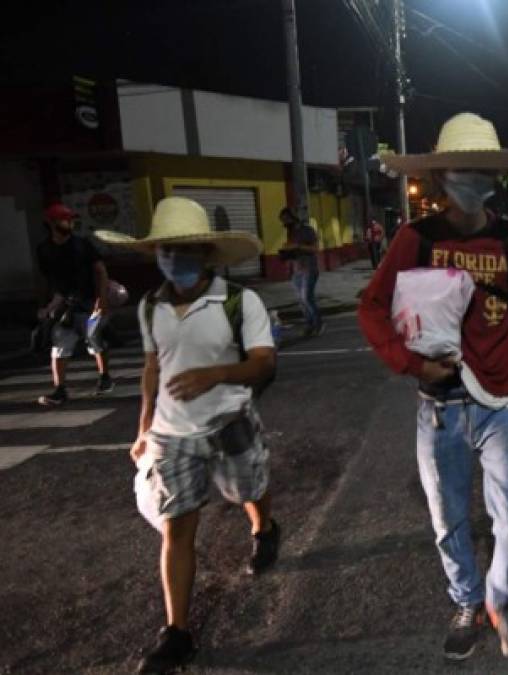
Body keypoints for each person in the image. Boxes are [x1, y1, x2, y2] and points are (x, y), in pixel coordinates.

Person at [358, 112, 508, 662]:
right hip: (439, 406)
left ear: (494, 177)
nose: (471, 179)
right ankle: (466, 600)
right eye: (461, 170)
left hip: (500, 402)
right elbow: (372, 308)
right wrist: (410, 364)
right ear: (443, 176)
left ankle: (501, 599)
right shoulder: (414, 239)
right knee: (448, 519)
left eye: (481, 170)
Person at [95, 197, 281, 674]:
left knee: (248, 490)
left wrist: (216, 374)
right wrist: (143, 425)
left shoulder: (241, 301)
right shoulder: (150, 307)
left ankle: (263, 527)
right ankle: (177, 632)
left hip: (230, 420)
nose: (173, 259)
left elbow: (264, 362)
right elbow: (153, 366)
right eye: (165, 250)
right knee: (177, 526)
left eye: (184, 250)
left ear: (205, 252)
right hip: (172, 433)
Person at [36, 202, 114, 405]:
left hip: (89, 302)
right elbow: (46, 280)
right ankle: (60, 389)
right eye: (65, 219)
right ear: (52, 223)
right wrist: (44, 306)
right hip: (65, 306)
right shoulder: (44, 250)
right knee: (60, 345)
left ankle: (105, 377)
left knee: (95, 340)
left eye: (71, 219)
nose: (69, 223)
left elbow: (100, 271)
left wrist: (101, 300)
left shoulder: (82, 245)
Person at [279, 207, 323, 337]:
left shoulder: (307, 230)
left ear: (293, 218)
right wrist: (286, 252)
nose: (284, 224)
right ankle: (309, 324)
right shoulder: (291, 233)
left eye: (286, 220)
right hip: (296, 270)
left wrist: (297, 246)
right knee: (301, 301)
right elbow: (294, 251)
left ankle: (318, 324)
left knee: (307, 298)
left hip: (309, 269)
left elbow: (315, 248)